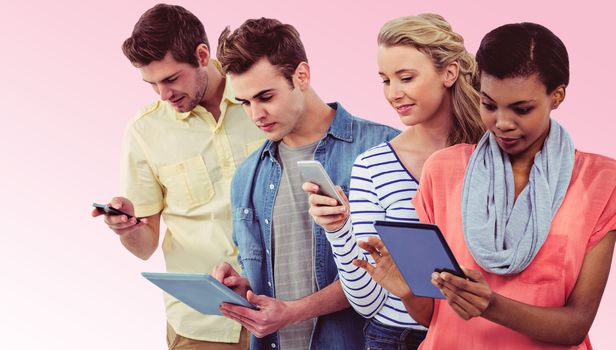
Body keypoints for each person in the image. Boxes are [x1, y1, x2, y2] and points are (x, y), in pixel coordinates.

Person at [356, 22, 616, 349]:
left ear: (557, 96)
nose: (502, 123)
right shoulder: (444, 169)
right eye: (489, 105)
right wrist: (408, 291)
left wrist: (492, 305)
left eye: (522, 109)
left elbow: (575, 326)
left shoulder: (600, 181)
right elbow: (436, 318)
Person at [211, 17, 400, 350]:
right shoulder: (247, 175)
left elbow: (392, 273)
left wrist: (293, 312)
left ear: (301, 75)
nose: (255, 115)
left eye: (265, 97)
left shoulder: (383, 149)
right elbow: (270, 272)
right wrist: (244, 290)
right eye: (245, 103)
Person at [304, 14, 484, 350]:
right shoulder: (373, 165)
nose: (394, 93)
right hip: (397, 338)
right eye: (386, 80)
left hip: (482, 332)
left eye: (406, 77)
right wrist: (339, 230)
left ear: (449, 72)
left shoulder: (493, 154)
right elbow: (367, 302)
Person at [91, 4, 264, 349]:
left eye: (171, 79)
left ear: (202, 55)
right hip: (202, 326)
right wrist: (128, 229)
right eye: (152, 84)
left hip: (282, 309)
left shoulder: (261, 100)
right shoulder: (145, 130)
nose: (163, 94)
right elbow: (145, 247)